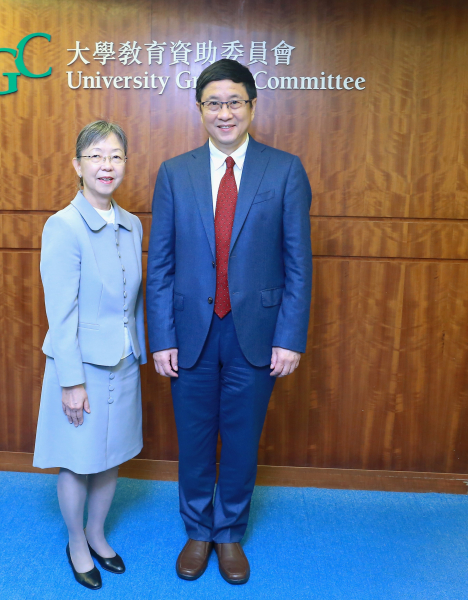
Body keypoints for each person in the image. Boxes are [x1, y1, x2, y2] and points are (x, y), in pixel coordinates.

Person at [146, 59, 313, 585]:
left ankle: (230, 533)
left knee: (241, 440)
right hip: (190, 332)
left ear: (251, 106)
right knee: (194, 439)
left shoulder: (284, 170)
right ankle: (198, 530)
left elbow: (298, 263)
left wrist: (290, 337)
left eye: (234, 102)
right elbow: (160, 264)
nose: (225, 113)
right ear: (200, 109)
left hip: (257, 334)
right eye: (213, 103)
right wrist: (161, 338)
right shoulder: (174, 172)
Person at [33, 121, 147, 590]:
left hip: (124, 362)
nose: (107, 165)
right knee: (78, 460)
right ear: (77, 166)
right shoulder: (63, 226)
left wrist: (140, 352)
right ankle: (76, 541)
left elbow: (133, 302)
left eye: (116, 156)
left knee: (111, 455)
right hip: (80, 368)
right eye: (96, 156)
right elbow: (61, 315)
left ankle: (98, 533)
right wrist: (71, 382)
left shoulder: (132, 224)